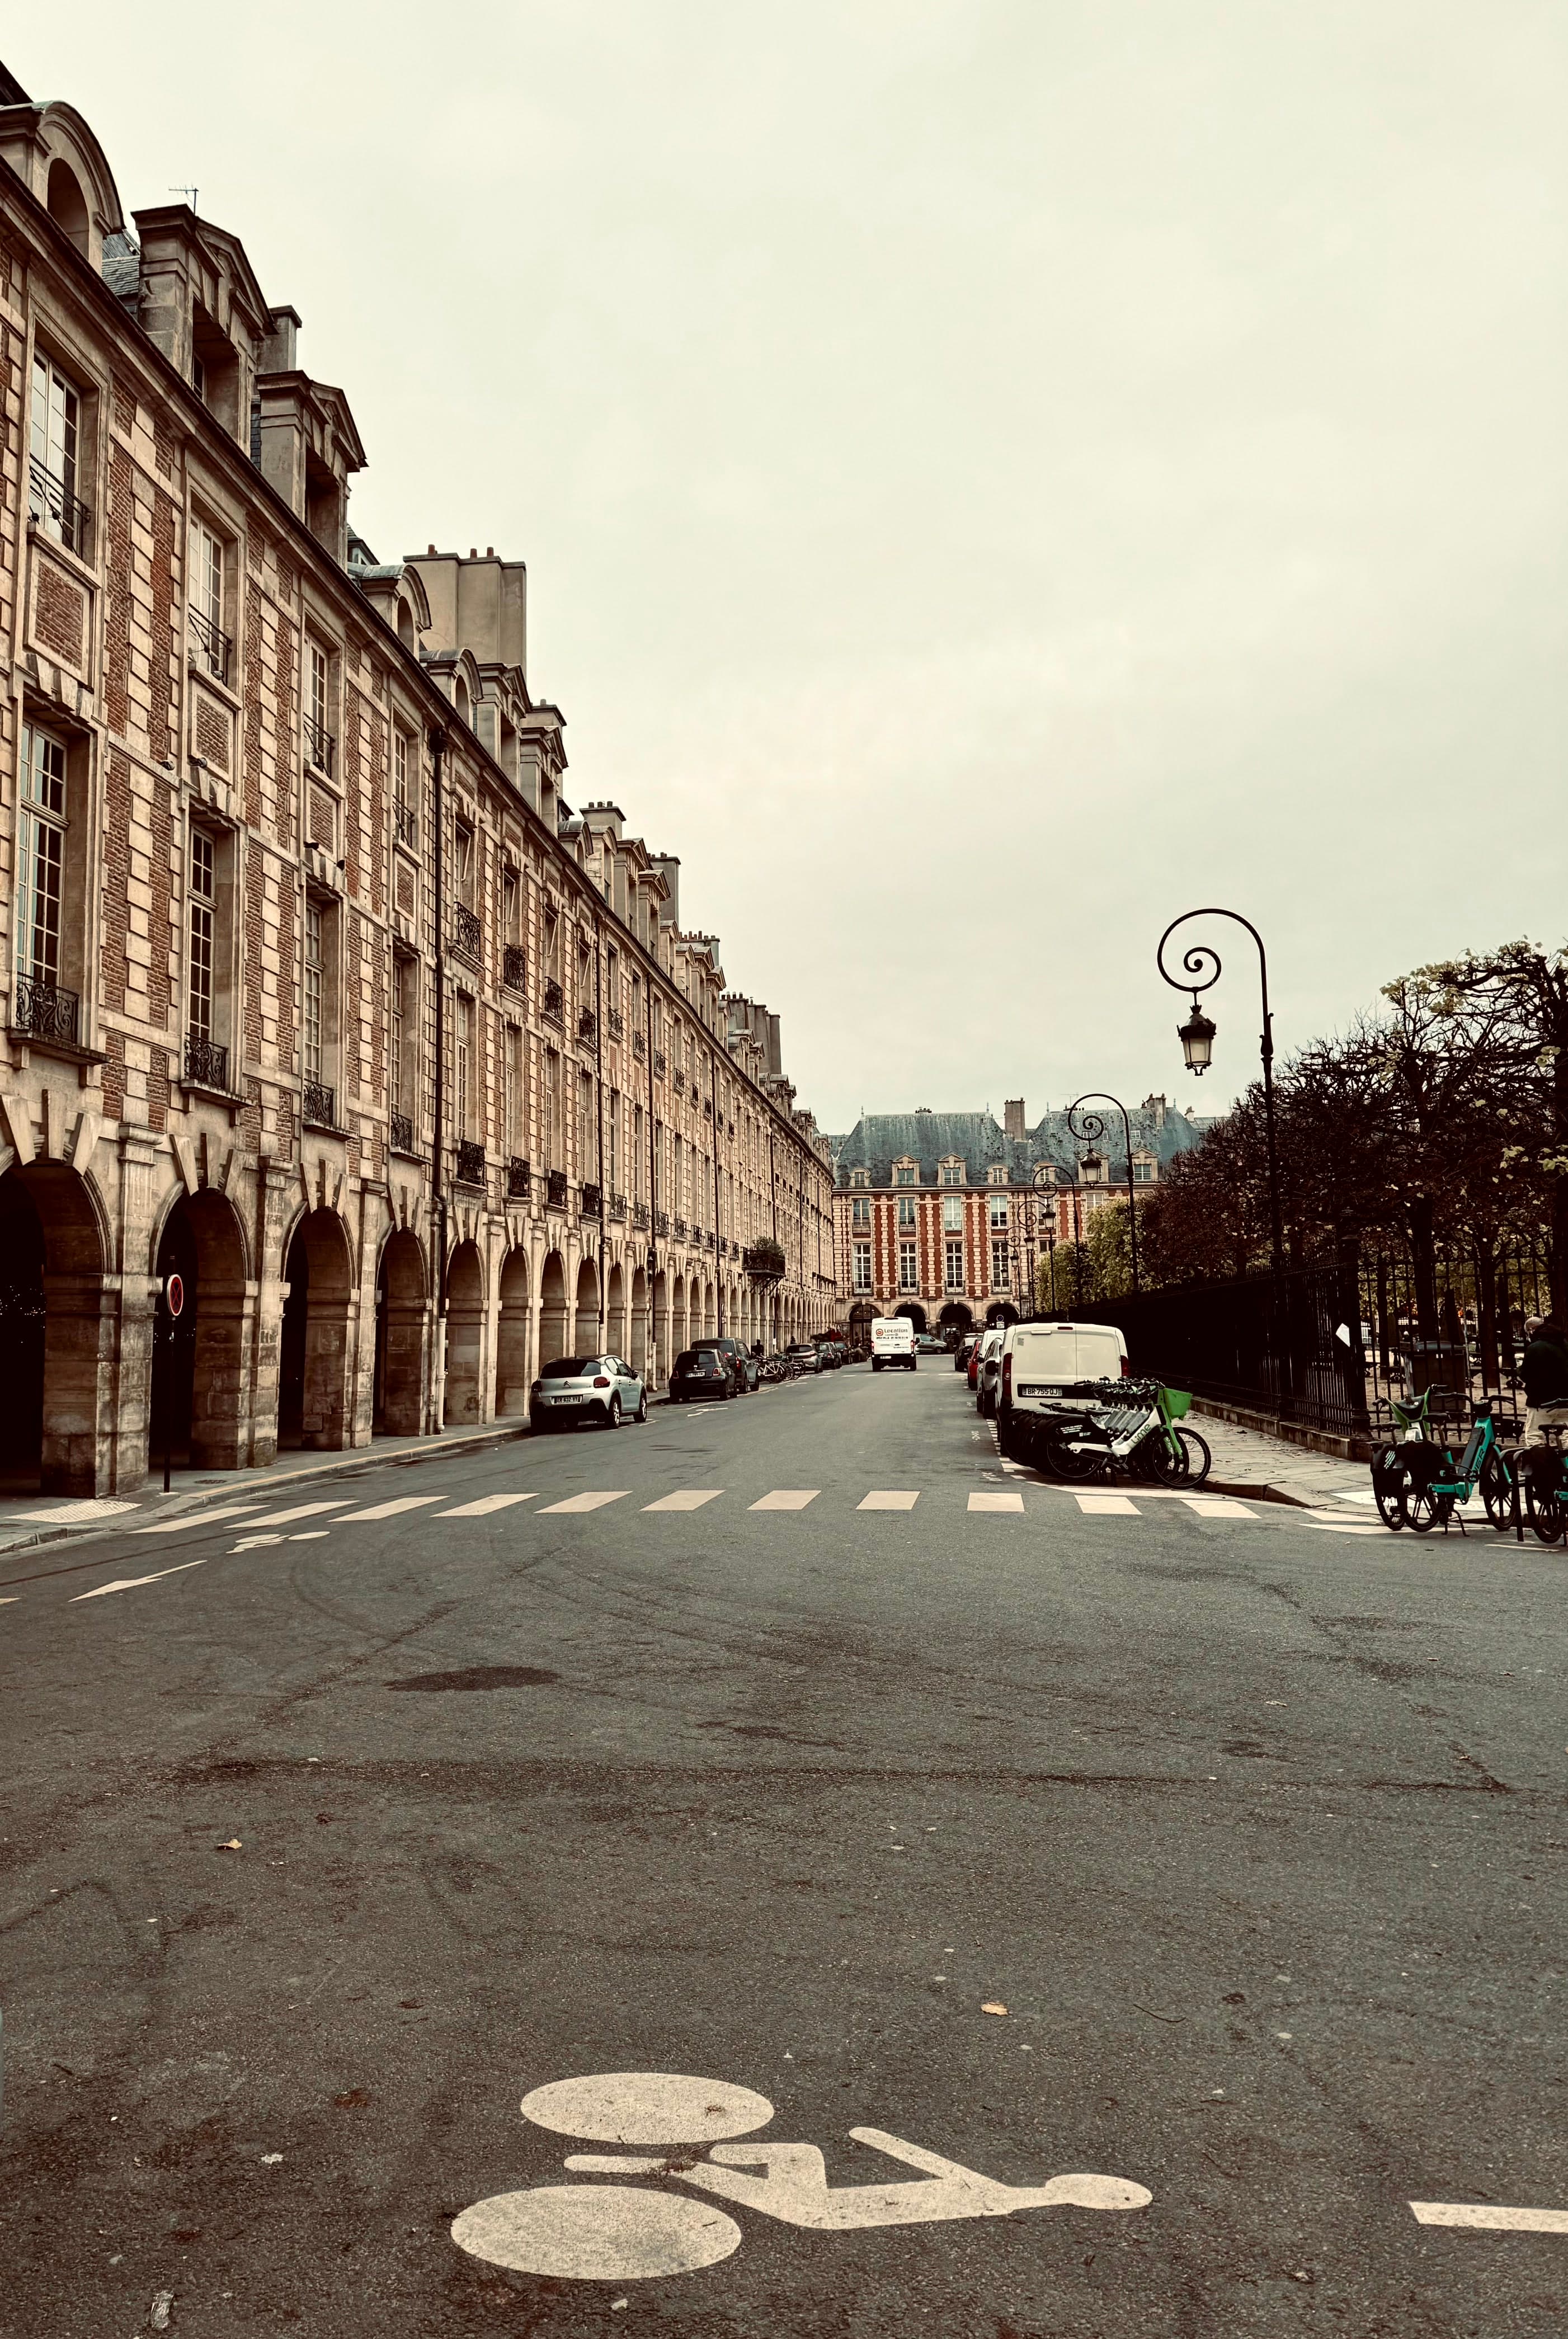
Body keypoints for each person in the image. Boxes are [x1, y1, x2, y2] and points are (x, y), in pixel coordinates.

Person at [1519, 1314, 1568, 1459]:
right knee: (1566, 1436)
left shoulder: (1536, 1348)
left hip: (1542, 1402)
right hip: (1565, 1400)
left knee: (1535, 1436)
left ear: (1532, 1330)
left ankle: (1543, 1475)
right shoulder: (1564, 1344)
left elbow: (1526, 1374)